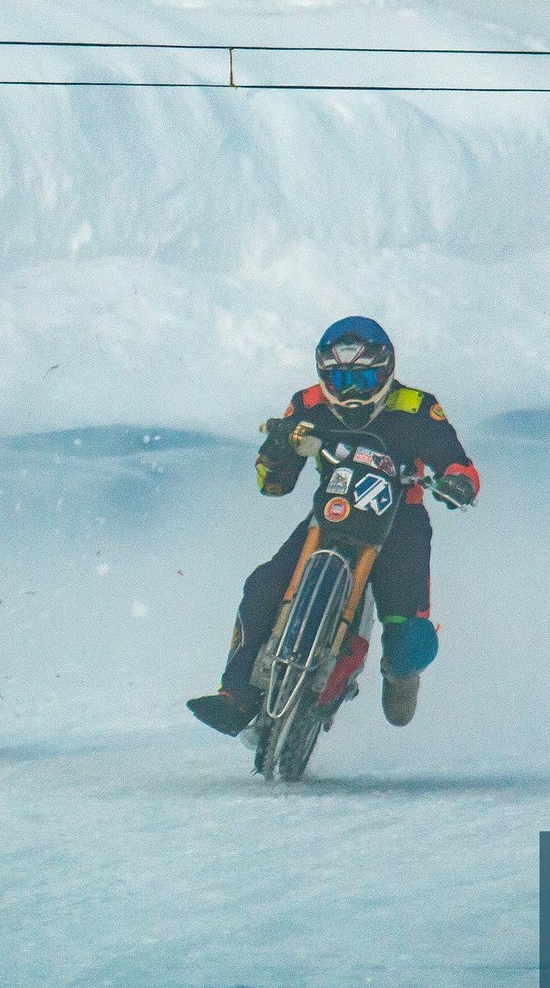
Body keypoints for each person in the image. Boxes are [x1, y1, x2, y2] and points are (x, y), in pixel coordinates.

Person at [188, 315, 479, 735]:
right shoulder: (306, 404)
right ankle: (236, 695)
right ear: (324, 375)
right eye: (341, 379)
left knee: (409, 641)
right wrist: (276, 451)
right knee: (262, 585)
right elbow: (273, 485)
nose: (353, 390)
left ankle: (400, 675)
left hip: (401, 522)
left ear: (387, 370)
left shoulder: (417, 406)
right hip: (330, 514)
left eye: (364, 378)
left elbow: (461, 464)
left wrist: (458, 483)